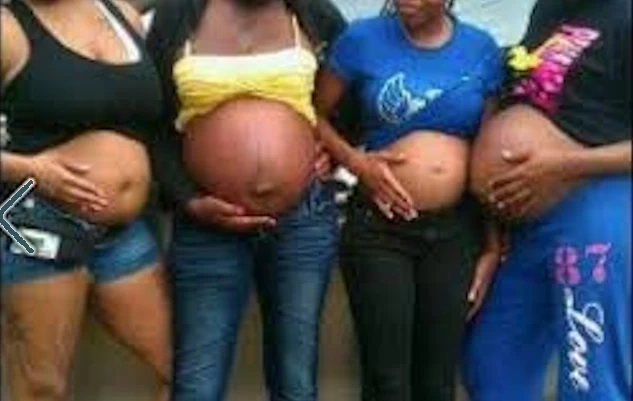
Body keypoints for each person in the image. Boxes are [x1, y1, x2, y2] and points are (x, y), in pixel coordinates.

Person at [146, 0, 348, 400]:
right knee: (198, 385)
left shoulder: (313, 12)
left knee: (296, 383)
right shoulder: (178, 13)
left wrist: (335, 149)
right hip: (205, 222)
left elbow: (355, 91)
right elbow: (150, 121)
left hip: (303, 220)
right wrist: (188, 199)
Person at [313, 0, 504, 399]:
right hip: (380, 229)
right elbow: (313, 114)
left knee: (438, 382)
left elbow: (487, 156)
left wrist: (492, 247)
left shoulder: (482, 49)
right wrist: (355, 162)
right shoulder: (361, 39)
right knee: (387, 381)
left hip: (455, 233)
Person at [0, 0, 171, 400]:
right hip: (39, 224)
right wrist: (32, 169)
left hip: (123, 233)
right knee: (42, 387)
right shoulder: (8, 29)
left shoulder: (122, 14)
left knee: (185, 369)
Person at [465, 0, 632, 400]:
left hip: (593, 208)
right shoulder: (548, 10)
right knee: (491, 362)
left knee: (589, 375)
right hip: (528, 228)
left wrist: (563, 166)